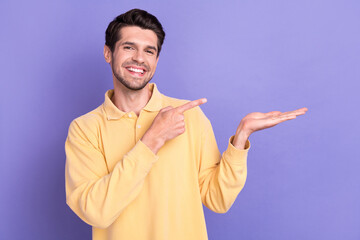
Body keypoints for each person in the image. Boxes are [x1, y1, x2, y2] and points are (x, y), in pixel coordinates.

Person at [65, 8, 307, 240]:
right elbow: (95, 211)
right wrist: (152, 140)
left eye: (149, 51)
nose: (139, 58)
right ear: (108, 53)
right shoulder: (85, 129)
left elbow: (218, 199)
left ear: (157, 59)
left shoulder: (190, 116)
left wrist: (242, 137)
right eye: (129, 48)